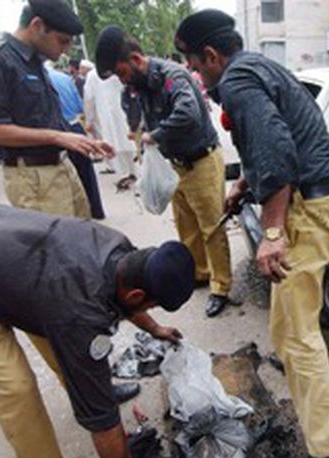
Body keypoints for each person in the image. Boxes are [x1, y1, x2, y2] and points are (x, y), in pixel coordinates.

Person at [175, 10, 329, 458]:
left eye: (196, 66)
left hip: (309, 212)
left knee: (299, 336)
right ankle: (302, 387)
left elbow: (277, 151)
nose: (196, 75)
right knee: (286, 325)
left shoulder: (238, 82)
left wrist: (273, 231)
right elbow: (282, 136)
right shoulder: (260, 67)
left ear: (212, 55)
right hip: (317, 201)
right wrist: (243, 186)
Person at [0, 204, 195, 458]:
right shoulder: (79, 312)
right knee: (16, 386)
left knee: (65, 343)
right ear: (137, 293)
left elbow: (125, 297)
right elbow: (105, 425)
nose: (152, 309)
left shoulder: (120, 251)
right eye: (154, 305)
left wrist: (154, 328)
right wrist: (103, 417)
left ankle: (88, 391)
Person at [96, 26, 234, 317]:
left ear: (135, 59)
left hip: (201, 162)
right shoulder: (140, 85)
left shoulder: (173, 77)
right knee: (186, 226)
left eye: (122, 73)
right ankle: (200, 272)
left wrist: (154, 135)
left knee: (211, 227)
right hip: (176, 165)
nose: (122, 80)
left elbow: (188, 114)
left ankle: (221, 286)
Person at [0, 0, 114, 218]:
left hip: (61, 166)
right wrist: (55, 137)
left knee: (82, 240)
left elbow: (42, 117)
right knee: (55, 247)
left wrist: (81, 140)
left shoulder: (33, 61)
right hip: (32, 176)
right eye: (62, 41)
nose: (65, 50)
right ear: (36, 26)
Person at [47, 65, 106, 219]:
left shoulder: (43, 80)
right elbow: (80, 105)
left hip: (57, 132)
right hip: (75, 127)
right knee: (86, 172)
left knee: (67, 177)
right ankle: (96, 211)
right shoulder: (65, 78)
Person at [83, 65, 138, 185]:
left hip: (108, 114)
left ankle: (126, 174)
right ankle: (135, 172)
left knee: (115, 143)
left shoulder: (92, 75)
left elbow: (89, 99)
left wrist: (89, 120)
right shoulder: (119, 69)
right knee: (129, 141)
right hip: (125, 112)